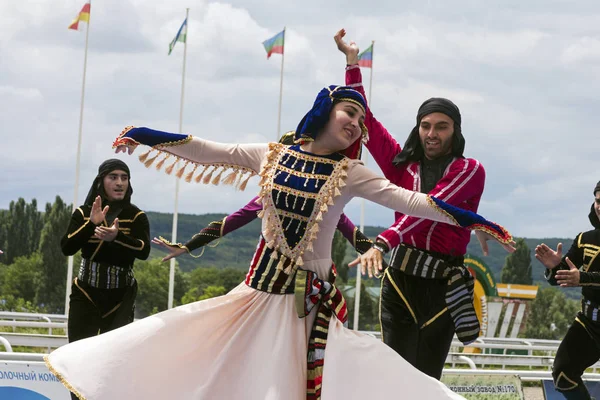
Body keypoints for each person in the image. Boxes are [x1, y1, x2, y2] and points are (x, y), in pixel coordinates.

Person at [46, 85, 513, 400]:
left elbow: (415, 202)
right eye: (349, 113)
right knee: (199, 360)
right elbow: (208, 149)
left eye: (360, 120)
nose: (356, 124)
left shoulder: (352, 172)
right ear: (324, 111)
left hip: (311, 310)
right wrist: (144, 136)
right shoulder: (270, 156)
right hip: (256, 296)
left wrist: (482, 222)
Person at [336, 29, 489, 379]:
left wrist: (383, 240)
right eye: (425, 126)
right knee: (395, 378)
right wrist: (352, 62)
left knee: (426, 381)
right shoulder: (402, 165)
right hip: (401, 281)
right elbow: (367, 122)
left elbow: (430, 207)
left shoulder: (470, 170)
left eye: (441, 127)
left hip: (442, 285)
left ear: (456, 131)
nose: (432, 133)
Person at [159, 132, 377, 262]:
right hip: (269, 279)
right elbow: (230, 222)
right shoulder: (271, 199)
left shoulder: (322, 201)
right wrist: (189, 245)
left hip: (308, 284)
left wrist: (378, 255)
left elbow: (351, 232)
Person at [59, 159, 150, 399]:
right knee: (78, 361)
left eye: (124, 177)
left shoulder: (136, 216)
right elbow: (67, 247)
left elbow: (144, 251)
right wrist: (92, 224)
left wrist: (117, 237)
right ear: (101, 181)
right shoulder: (83, 212)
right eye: (113, 177)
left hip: (120, 298)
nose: (119, 183)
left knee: (115, 365)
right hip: (86, 294)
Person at [535, 181, 600, 400]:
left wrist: (582, 278)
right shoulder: (585, 239)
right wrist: (555, 267)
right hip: (589, 323)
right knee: (563, 375)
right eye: (598, 201)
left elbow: (580, 278)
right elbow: (563, 278)